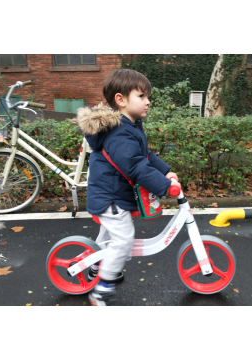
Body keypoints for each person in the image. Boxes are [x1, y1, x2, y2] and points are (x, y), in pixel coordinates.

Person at [77, 69, 181, 306]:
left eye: (147, 97)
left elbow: (144, 155)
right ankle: (101, 289)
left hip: (113, 193)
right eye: (142, 96)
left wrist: (165, 170)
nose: (148, 102)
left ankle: (98, 266)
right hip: (110, 196)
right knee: (123, 239)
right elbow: (135, 167)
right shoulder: (120, 133)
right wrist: (165, 186)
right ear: (121, 100)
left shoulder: (130, 125)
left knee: (110, 236)